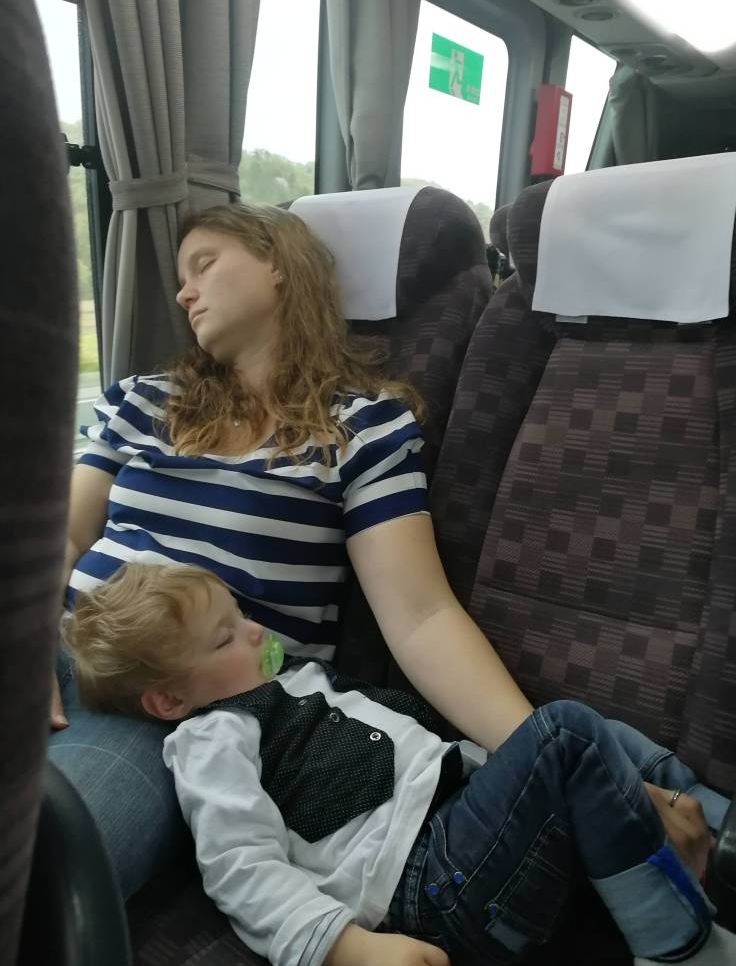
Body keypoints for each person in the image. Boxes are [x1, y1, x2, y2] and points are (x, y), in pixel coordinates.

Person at [49, 201, 537, 899]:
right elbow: (64, 536)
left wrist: (549, 760)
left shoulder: (362, 428)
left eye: (203, 265)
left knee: (42, 875)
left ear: (277, 262)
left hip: (163, 701)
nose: (184, 293)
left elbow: (422, 619)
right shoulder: (143, 401)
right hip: (55, 638)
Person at [64, 561, 733, 966]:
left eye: (240, 615)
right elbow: (240, 868)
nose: (255, 631)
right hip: (431, 887)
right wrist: (346, 948)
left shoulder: (299, 681)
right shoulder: (213, 740)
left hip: (471, 834)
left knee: (602, 737)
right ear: (169, 700)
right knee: (567, 735)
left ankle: (721, 834)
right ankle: (682, 946)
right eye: (224, 639)